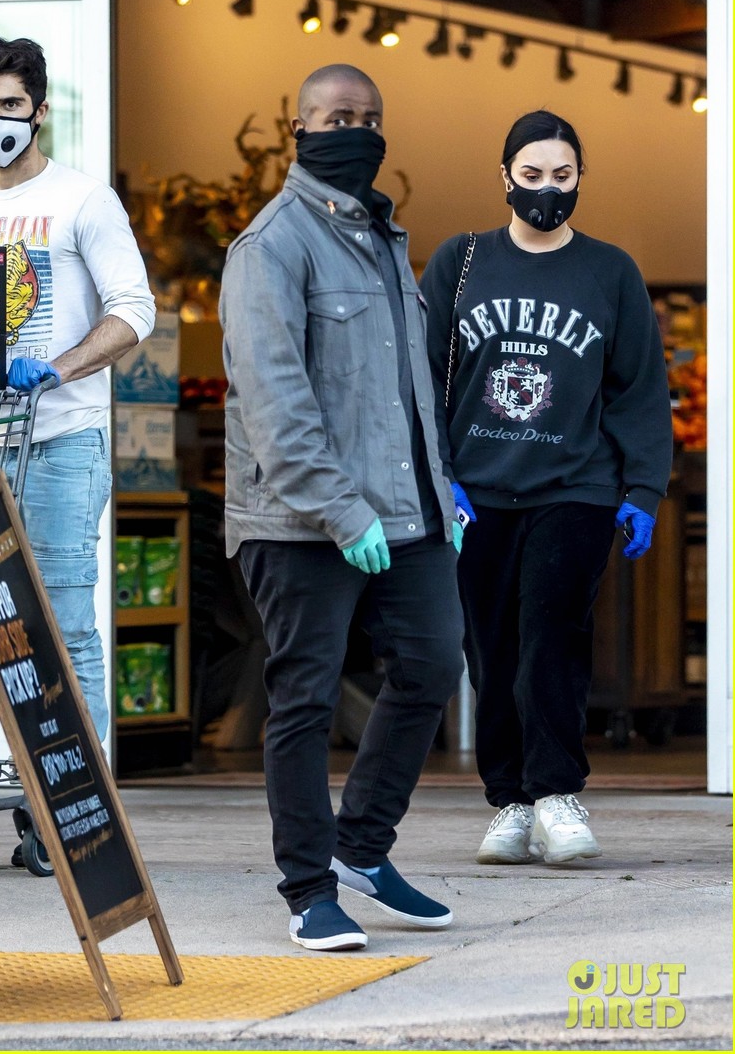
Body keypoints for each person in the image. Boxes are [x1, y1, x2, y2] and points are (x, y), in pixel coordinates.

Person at [219, 63, 465, 951]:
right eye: (334, 117)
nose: (352, 129)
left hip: (405, 515)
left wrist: (442, 492)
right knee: (305, 699)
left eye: (367, 116)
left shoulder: (385, 239)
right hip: (294, 521)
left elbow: (404, 395)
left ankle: (362, 847)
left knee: (434, 665)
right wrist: (341, 510)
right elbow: (275, 403)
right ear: (299, 129)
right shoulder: (272, 245)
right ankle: (307, 889)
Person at [0, 36, 155, 866]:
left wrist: (52, 372)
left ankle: (68, 812)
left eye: (11, 105)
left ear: (41, 108)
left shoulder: (84, 201)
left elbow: (135, 311)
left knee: (57, 623)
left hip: (59, 439)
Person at [420, 109, 673, 867]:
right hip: (479, 495)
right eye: (530, 177)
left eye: (561, 177)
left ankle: (557, 793)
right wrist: (442, 477)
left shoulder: (610, 272)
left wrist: (642, 488)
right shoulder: (458, 261)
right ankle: (510, 801)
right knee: (491, 649)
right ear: (503, 177)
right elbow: (422, 380)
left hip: (576, 488)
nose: (546, 191)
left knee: (551, 642)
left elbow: (638, 388)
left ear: (578, 178)